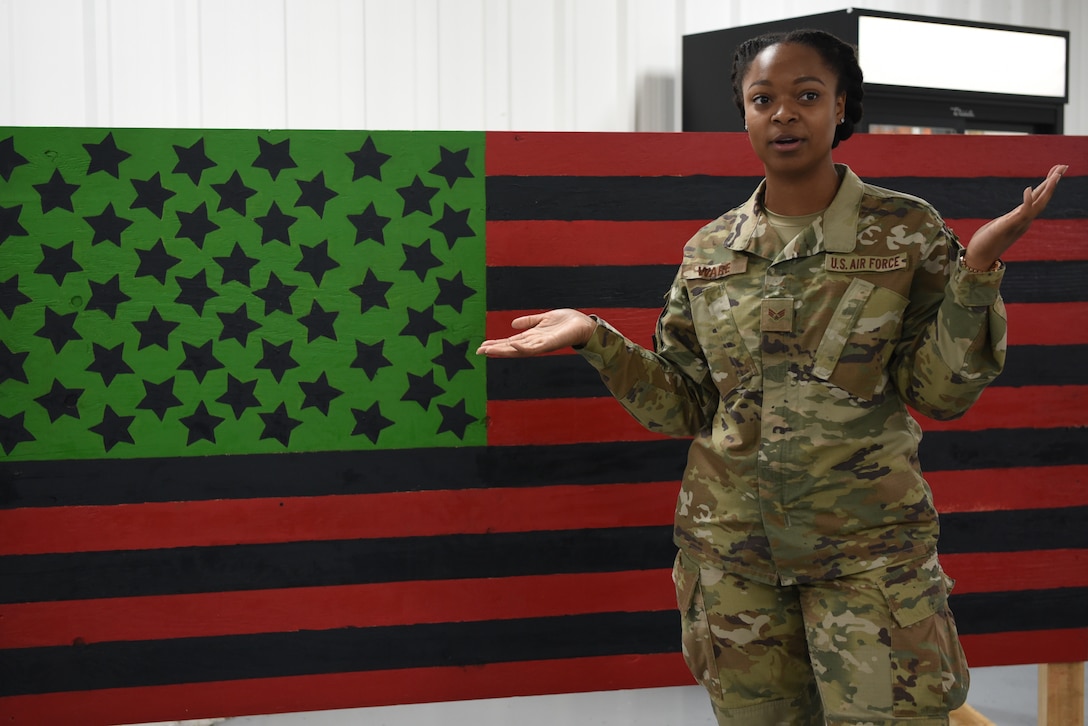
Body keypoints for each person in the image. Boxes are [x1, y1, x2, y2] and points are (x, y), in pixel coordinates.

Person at [477, 28, 1067, 726]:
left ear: (841, 107)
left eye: (807, 96)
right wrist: (597, 339)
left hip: (868, 557)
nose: (784, 114)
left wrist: (974, 275)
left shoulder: (904, 231)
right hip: (733, 560)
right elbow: (686, 405)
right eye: (764, 99)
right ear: (745, 115)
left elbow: (941, 393)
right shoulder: (709, 250)